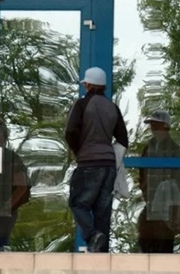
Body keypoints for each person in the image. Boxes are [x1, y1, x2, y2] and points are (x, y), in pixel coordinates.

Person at [64, 67, 128, 253]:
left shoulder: (82, 105)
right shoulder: (113, 108)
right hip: (108, 166)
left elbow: (70, 132)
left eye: (85, 83)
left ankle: (92, 236)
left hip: (88, 164)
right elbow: (123, 139)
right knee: (103, 212)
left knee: (78, 203)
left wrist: (79, 151)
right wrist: (110, 154)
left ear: (89, 85)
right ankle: (101, 256)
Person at [137, 110, 180, 253]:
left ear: (165, 127)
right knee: (145, 245)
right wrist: (146, 194)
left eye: (156, 125)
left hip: (168, 210)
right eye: (151, 126)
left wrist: (171, 200)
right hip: (151, 206)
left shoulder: (176, 150)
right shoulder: (148, 149)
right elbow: (141, 175)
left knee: (164, 250)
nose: (152, 129)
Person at [0, 121, 30, 251]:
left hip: (4, 214)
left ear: (4, 136)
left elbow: (22, 187)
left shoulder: (12, 158)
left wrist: (6, 209)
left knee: (0, 246)